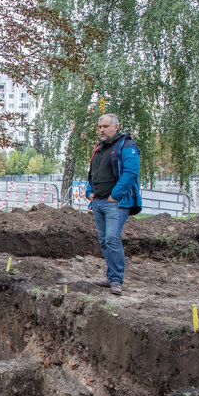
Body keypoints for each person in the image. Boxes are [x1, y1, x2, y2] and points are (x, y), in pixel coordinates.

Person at [85, 113, 142, 296]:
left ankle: (116, 280)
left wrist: (115, 196)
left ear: (116, 127)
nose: (102, 130)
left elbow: (130, 173)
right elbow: (93, 173)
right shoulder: (100, 148)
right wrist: (89, 191)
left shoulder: (126, 146)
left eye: (106, 126)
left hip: (115, 203)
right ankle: (111, 277)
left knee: (112, 239)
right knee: (104, 241)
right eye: (100, 127)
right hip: (98, 202)